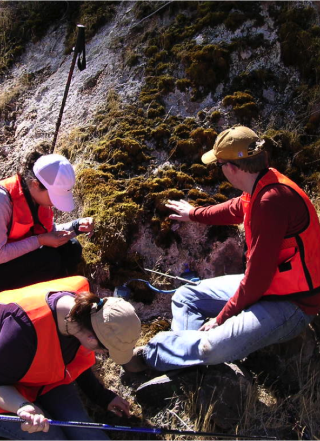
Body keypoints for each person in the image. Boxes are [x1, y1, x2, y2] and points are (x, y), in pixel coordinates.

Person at [124, 125, 320, 373]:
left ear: (233, 167)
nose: (220, 171)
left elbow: (257, 279)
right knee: (186, 297)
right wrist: (193, 214)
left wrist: (221, 319)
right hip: (270, 286)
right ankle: (188, 360)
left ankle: (152, 356)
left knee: (211, 347)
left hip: (292, 303)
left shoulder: (272, 201)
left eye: (219, 165)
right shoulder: (262, 183)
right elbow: (236, 208)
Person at [0, 276, 141, 440]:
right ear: (91, 339)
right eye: (107, 351)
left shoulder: (86, 313)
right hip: (5, 389)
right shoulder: (19, 333)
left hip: (40, 380)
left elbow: (72, 359)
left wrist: (102, 396)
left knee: (87, 433)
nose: (104, 355)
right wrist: (23, 407)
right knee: (51, 437)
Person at [0, 151, 94, 290]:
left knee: (72, 247)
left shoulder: (37, 198)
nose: (55, 204)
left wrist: (76, 227)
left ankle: (61, 289)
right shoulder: (3, 200)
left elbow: (47, 231)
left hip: (16, 258)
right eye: (54, 197)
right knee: (49, 260)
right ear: (35, 184)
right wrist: (40, 240)